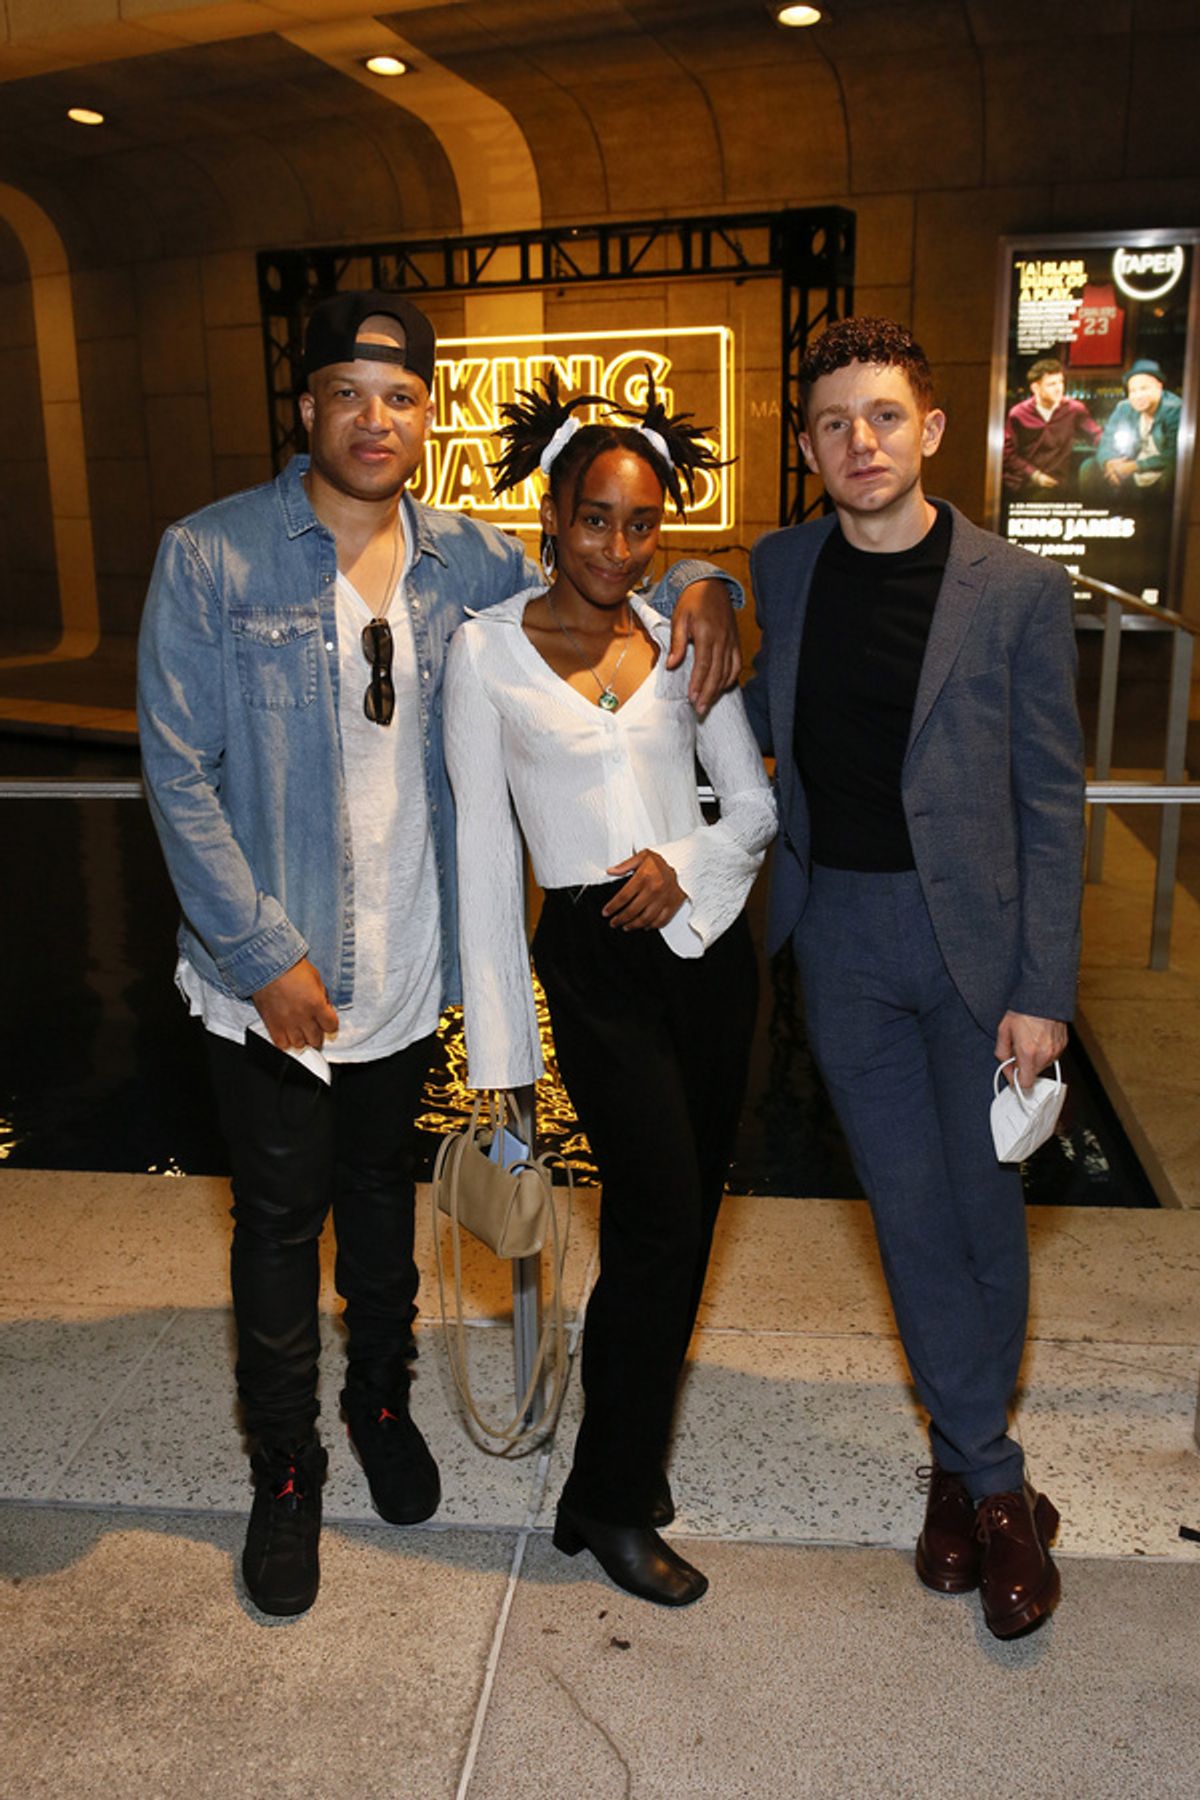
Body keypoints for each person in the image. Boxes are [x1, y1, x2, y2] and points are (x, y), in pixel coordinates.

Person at [136, 291, 743, 1619]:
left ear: (426, 415)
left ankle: (378, 1400)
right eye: (348, 394)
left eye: (401, 397)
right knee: (277, 1224)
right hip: (272, 977)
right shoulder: (211, 556)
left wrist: (712, 580)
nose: (376, 420)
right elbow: (176, 773)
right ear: (307, 405)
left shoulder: (466, 560)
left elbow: (608, 569)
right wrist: (258, 951)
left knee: (380, 1204)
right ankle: (286, 1467)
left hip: (409, 962)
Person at [744, 317, 1085, 1640]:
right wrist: (703, 590)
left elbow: (1050, 801)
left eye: (884, 415)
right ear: (809, 445)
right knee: (908, 1213)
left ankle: (974, 1478)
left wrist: (1043, 988)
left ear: (931, 429)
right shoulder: (783, 566)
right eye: (834, 423)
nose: (861, 442)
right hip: (841, 938)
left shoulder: (1016, 589)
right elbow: (723, 649)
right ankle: (992, 1482)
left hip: (976, 953)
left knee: (983, 1215)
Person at [444, 376, 775, 1607]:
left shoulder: (685, 635)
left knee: (684, 1221)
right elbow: (487, 860)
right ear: (553, 515)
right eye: (596, 519)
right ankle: (606, 1500)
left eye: (642, 525)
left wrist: (681, 861)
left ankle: (625, 1458)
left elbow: (754, 808)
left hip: (709, 950)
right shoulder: (483, 653)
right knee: (659, 1223)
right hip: (590, 963)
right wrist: (501, 1068)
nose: (618, 547)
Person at [1082, 358, 1181, 502]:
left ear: (1159, 387)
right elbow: (1106, 442)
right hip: (1128, 466)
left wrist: (1133, 466)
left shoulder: (1175, 409)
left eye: (1144, 388)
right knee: (1088, 467)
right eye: (1133, 390)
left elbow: (1174, 455)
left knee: (1171, 473)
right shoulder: (1124, 407)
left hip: (1158, 468)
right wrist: (1109, 464)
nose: (1138, 396)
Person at [1001, 358, 1100, 497]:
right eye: (1051, 384)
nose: (1059, 388)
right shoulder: (1018, 414)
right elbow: (1006, 453)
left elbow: (1097, 435)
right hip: (1020, 484)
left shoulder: (1074, 409)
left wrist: (1111, 458)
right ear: (1035, 388)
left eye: (1061, 382)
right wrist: (1034, 475)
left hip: (1055, 484)